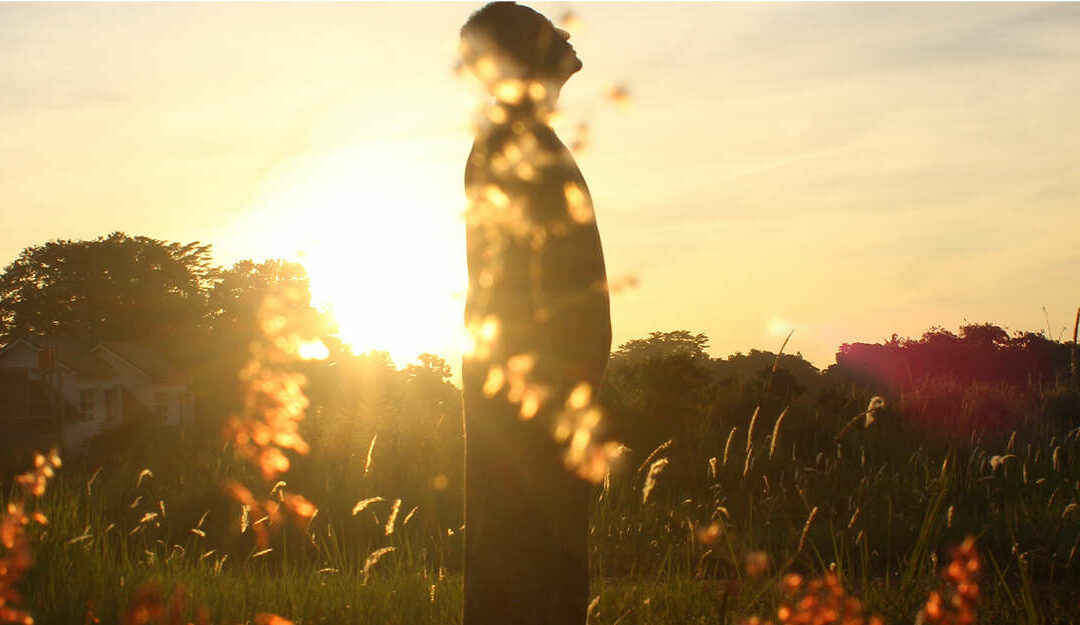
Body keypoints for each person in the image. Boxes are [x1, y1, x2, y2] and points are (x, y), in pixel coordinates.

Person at [459, 3, 612, 624]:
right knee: (527, 563)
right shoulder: (513, 143)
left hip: (540, 390)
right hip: (529, 394)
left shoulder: (521, 139)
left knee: (538, 559)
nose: (569, 37)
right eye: (554, 33)